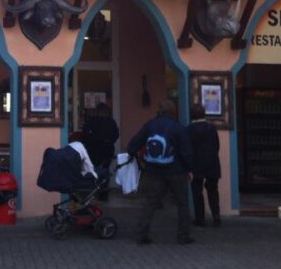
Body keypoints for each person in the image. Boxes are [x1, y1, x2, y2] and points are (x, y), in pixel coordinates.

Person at [127, 98, 193, 245]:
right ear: (173, 110)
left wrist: (134, 156)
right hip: (176, 170)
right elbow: (186, 152)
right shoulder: (179, 128)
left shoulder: (150, 125)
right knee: (182, 203)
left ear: (160, 110)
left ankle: (142, 233)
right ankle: (183, 236)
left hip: (153, 170)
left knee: (150, 202)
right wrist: (189, 168)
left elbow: (133, 144)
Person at [188, 103, 221, 227]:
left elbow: (188, 150)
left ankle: (200, 219)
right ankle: (216, 216)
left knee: (197, 192)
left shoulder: (189, 129)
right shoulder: (211, 128)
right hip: (212, 163)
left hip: (196, 165)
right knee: (213, 191)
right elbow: (217, 146)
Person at [82, 102, 120, 168]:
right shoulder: (110, 121)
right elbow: (116, 135)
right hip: (106, 148)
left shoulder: (92, 121)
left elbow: (85, 134)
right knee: (104, 168)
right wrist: (109, 141)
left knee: (96, 168)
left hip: (95, 149)